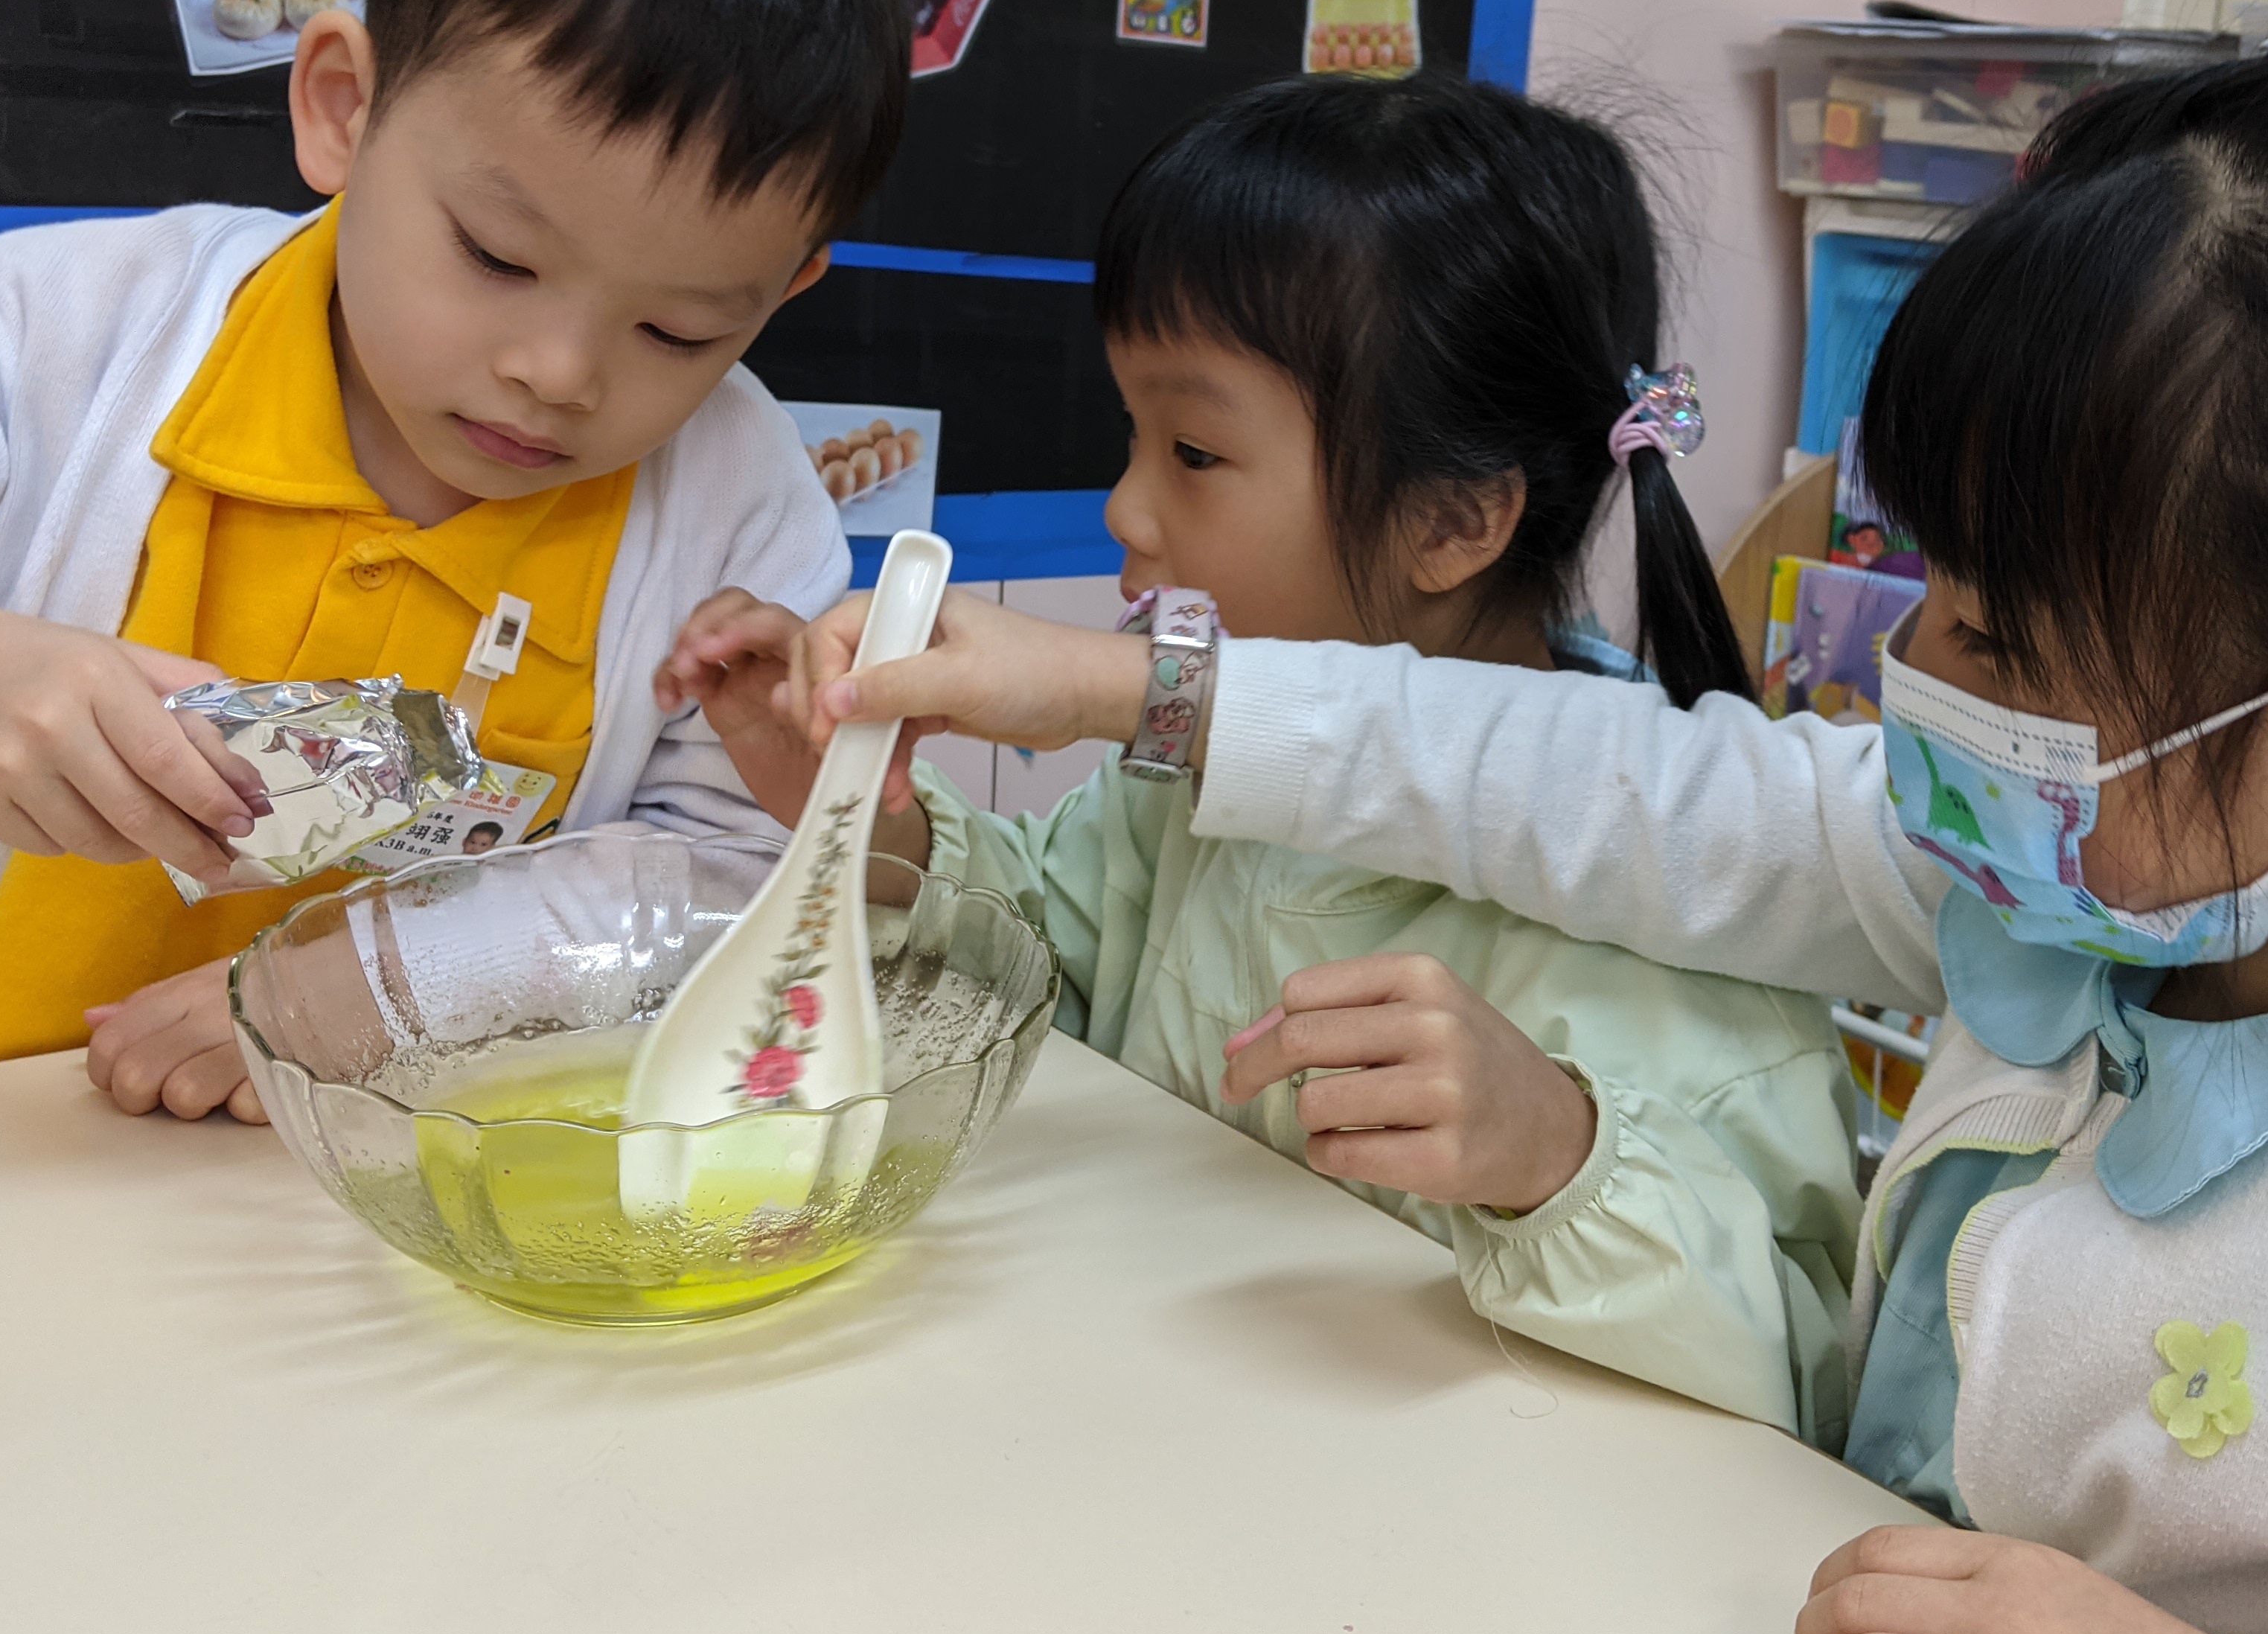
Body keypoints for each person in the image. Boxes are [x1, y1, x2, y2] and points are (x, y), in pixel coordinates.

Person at [768, 6, 2268, 1634]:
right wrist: (1134, 690)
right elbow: (1599, 783)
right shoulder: (2101, 882)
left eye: (2007, 637)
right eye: (1934, 588)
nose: (1920, 671)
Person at [660, 76, 1865, 1436]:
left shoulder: (1687, 908)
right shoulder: (1192, 788)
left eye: (1192, 451)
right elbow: (1049, 954)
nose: (1125, 507)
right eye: (1132, 437)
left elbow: (1793, 1390)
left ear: (1450, 523)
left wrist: (1558, 1155)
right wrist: (856, 815)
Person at [0, 0, 907, 1117]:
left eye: (679, 331)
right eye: (496, 256)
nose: (557, 376)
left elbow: (736, 866)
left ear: (783, 289)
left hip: (421, 1186)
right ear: (344, 111)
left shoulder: (742, 503)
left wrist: (407, 982)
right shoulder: (72, 329)